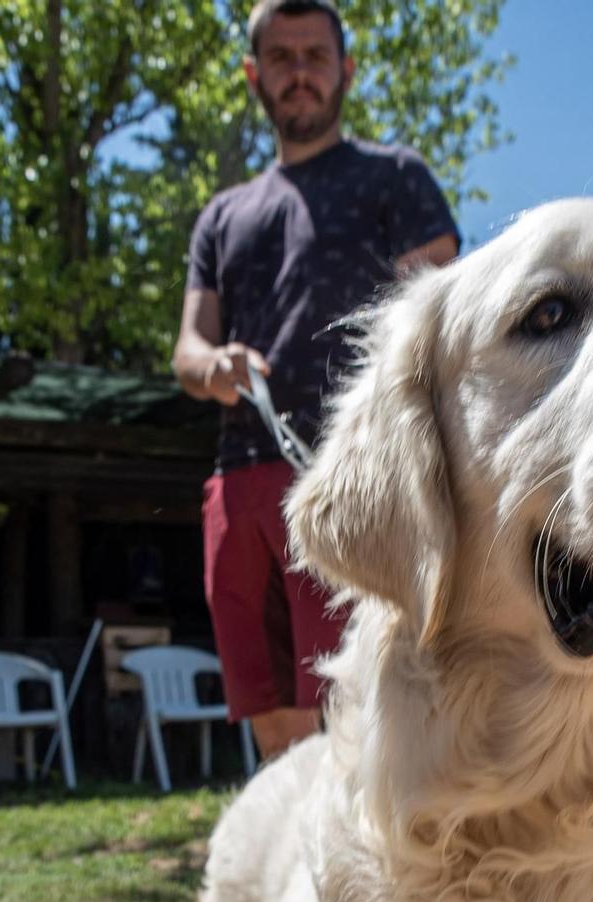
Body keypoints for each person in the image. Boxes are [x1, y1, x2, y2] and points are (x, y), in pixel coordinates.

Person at [173, 0, 460, 762]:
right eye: (281, 57)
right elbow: (187, 351)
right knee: (278, 734)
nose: (299, 73)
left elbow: (439, 326)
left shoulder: (395, 179)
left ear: (346, 71)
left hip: (350, 476)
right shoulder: (222, 215)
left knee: (358, 714)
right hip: (238, 483)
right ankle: (298, 880)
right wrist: (215, 367)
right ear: (253, 74)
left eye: (315, 56)